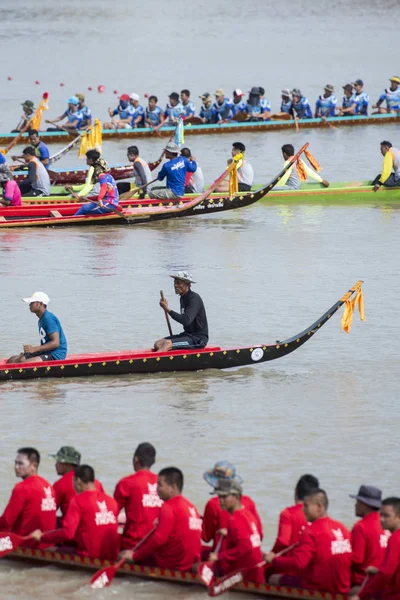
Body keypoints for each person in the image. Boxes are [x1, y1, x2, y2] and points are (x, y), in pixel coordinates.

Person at [265, 489, 352, 594]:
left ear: (319, 507)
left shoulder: (311, 531)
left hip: (317, 589)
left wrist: (274, 560)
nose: (303, 510)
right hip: (342, 590)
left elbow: (299, 563)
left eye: (306, 506)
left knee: (273, 579)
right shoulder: (343, 528)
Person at [119, 467, 202, 571]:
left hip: (173, 565)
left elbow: (158, 540)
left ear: (172, 487)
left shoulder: (168, 507)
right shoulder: (191, 506)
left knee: (122, 555)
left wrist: (134, 556)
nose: (156, 488)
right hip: (189, 563)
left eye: (160, 485)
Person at [31, 465, 119, 561]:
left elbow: (68, 534)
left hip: (88, 556)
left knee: (49, 550)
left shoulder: (77, 501)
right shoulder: (111, 501)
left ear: (78, 481)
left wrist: (43, 537)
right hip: (112, 556)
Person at [207, 479, 264, 583]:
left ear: (237, 497)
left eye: (225, 497)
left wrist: (218, 556)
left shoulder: (234, 519)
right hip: (256, 572)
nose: (221, 500)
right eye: (219, 497)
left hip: (246, 576)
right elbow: (256, 537)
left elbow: (245, 547)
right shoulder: (248, 514)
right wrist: (229, 533)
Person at [0, 448, 56, 546]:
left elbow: (6, 521)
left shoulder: (22, 487)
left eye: (20, 464)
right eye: (15, 463)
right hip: (48, 542)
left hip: (26, 542)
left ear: (33, 466)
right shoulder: (48, 485)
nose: (16, 467)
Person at [202, 461, 263, 551]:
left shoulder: (213, 504)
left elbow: (205, 537)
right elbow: (260, 535)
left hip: (222, 555)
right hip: (245, 552)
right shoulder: (249, 502)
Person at [114, 442, 163, 549]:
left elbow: (112, 513)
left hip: (133, 545)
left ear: (136, 459)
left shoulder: (126, 483)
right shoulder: (164, 484)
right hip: (157, 545)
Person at [351, 497, 400, 600]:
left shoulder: (395, 538)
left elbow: (386, 574)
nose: (381, 519)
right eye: (380, 514)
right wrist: (378, 571)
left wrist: (361, 596)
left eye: (386, 516)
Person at [154, 271, 209, 352]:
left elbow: (186, 321)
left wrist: (167, 309)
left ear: (188, 285)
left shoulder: (194, 298)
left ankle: (157, 362)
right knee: (158, 344)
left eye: (179, 283)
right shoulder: (182, 298)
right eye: (175, 283)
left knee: (167, 344)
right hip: (187, 334)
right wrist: (167, 308)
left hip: (198, 338)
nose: (176, 285)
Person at [7, 291, 67, 364]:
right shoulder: (41, 319)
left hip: (55, 354)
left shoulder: (49, 318)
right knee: (12, 360)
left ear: (40, 304)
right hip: (46, 352)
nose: (29, 305)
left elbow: (56, 343)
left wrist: (34, 349)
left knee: (22, 363)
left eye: (32, 302)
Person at [349, 485, 390, 590]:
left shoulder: (361, 526)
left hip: (363, 582)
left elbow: (356, 560)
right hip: (383, 581)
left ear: (365, 505)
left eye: (358, 502)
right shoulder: (388, 524)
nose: (355, 505)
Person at [50, 446, 104, 523]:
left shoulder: (60, 484)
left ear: (67, 464)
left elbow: (49, 511)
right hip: (95, 523)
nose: (55, 465)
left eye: (58, 461)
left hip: (72, 527)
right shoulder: (96, 483)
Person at [272, 474, 319, 554]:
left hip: (290, 562)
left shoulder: (288, 514)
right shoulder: (318, 515)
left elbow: (283, 542)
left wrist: (272, 555)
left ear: (296, 491)